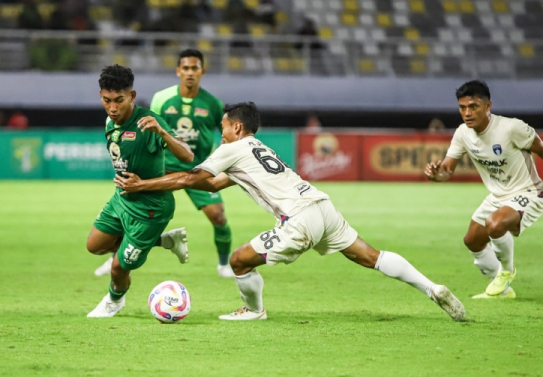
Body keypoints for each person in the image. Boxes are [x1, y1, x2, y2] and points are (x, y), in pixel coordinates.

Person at [114, 102, 466, 322]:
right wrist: (180, 181)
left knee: (239, 261)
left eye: (223, 127)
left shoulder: (234, 147)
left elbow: (192, 176)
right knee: (370, 255)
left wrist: (141, 184)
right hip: (322, 206)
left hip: (298, 218)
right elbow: (211, 185)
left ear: (237, 127)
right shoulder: (256, 149)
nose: (221, 133)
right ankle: (432, 288)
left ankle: (253, 310)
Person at [425, 80, 543, 299]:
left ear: (488, 106)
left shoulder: (511, 128)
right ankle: (502, 292)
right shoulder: (462, 134)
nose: (467, 113)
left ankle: (506, 270)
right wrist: (436, 175)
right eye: (462, 108)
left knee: (494, 224)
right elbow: (446, 170)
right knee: (472, 240)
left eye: (473, 106)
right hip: (498, 196)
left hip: (528, 192)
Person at [94, 49, 235, 278]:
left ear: (202, 71)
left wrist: (223, 159)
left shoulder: (212, 103)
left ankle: (223, 265)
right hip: (162, 167)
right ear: (178, 70)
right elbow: (146, 128)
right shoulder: (162, 98)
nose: (190, 72)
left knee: (218, 215)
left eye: (194, 68)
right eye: (186, 68)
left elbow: (226, 133)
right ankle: (115, 258)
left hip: (197, 168)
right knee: (129, 213)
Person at [87, 64, 194, 318]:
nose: (112, 108)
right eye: (106, 101)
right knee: (95, 246)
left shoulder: (149, 123)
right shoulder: (109, 122)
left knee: (117, 269)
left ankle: (114, 301)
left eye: (119, 101)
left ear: (131, 97)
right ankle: (165, 240)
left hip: (151, 209)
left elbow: (188, 156)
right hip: (122, 199)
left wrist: (162, 132)